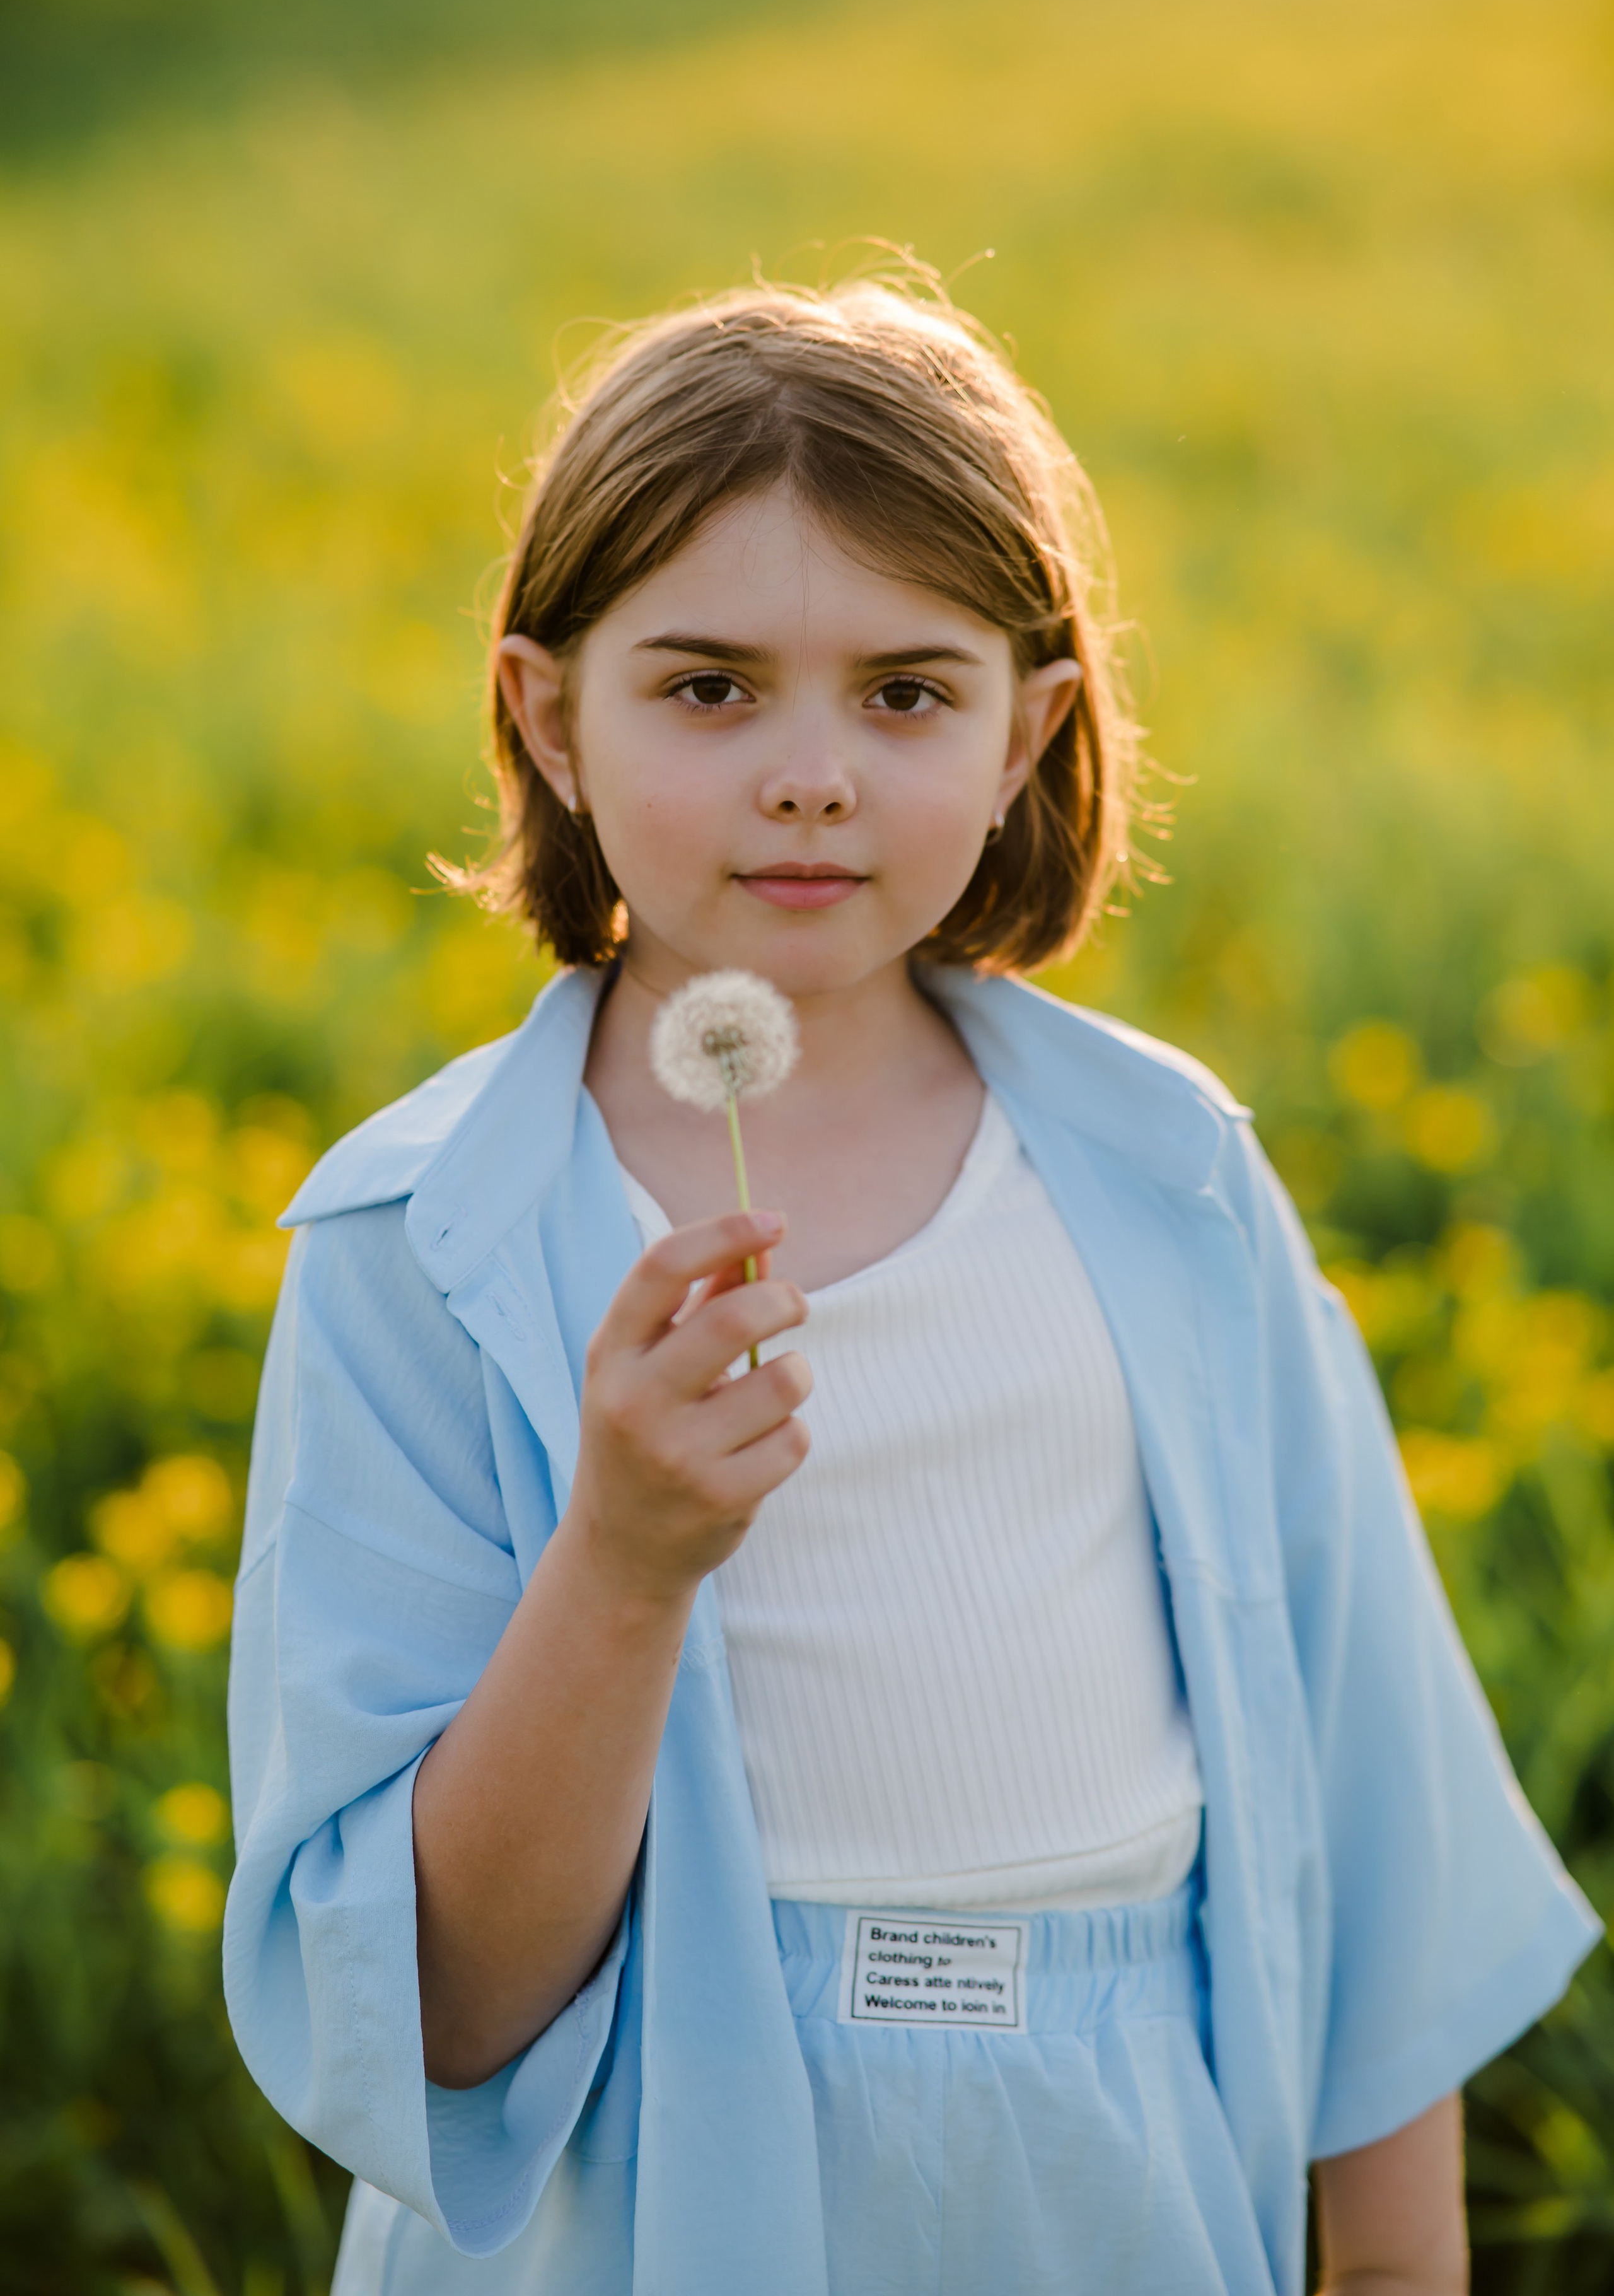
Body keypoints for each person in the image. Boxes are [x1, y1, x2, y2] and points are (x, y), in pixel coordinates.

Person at [224, 271, 1597, 2296]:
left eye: (905, 692)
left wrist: (1392, 2269)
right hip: (637, 2192)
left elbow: (1362, 1792)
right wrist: (623, 1556)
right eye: (708, 688)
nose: (811, 774)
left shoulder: (1168, 1180)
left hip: (1111, 2165)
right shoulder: (429, 1242)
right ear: (547, 714)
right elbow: (432, 2010)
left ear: (1029, 724)